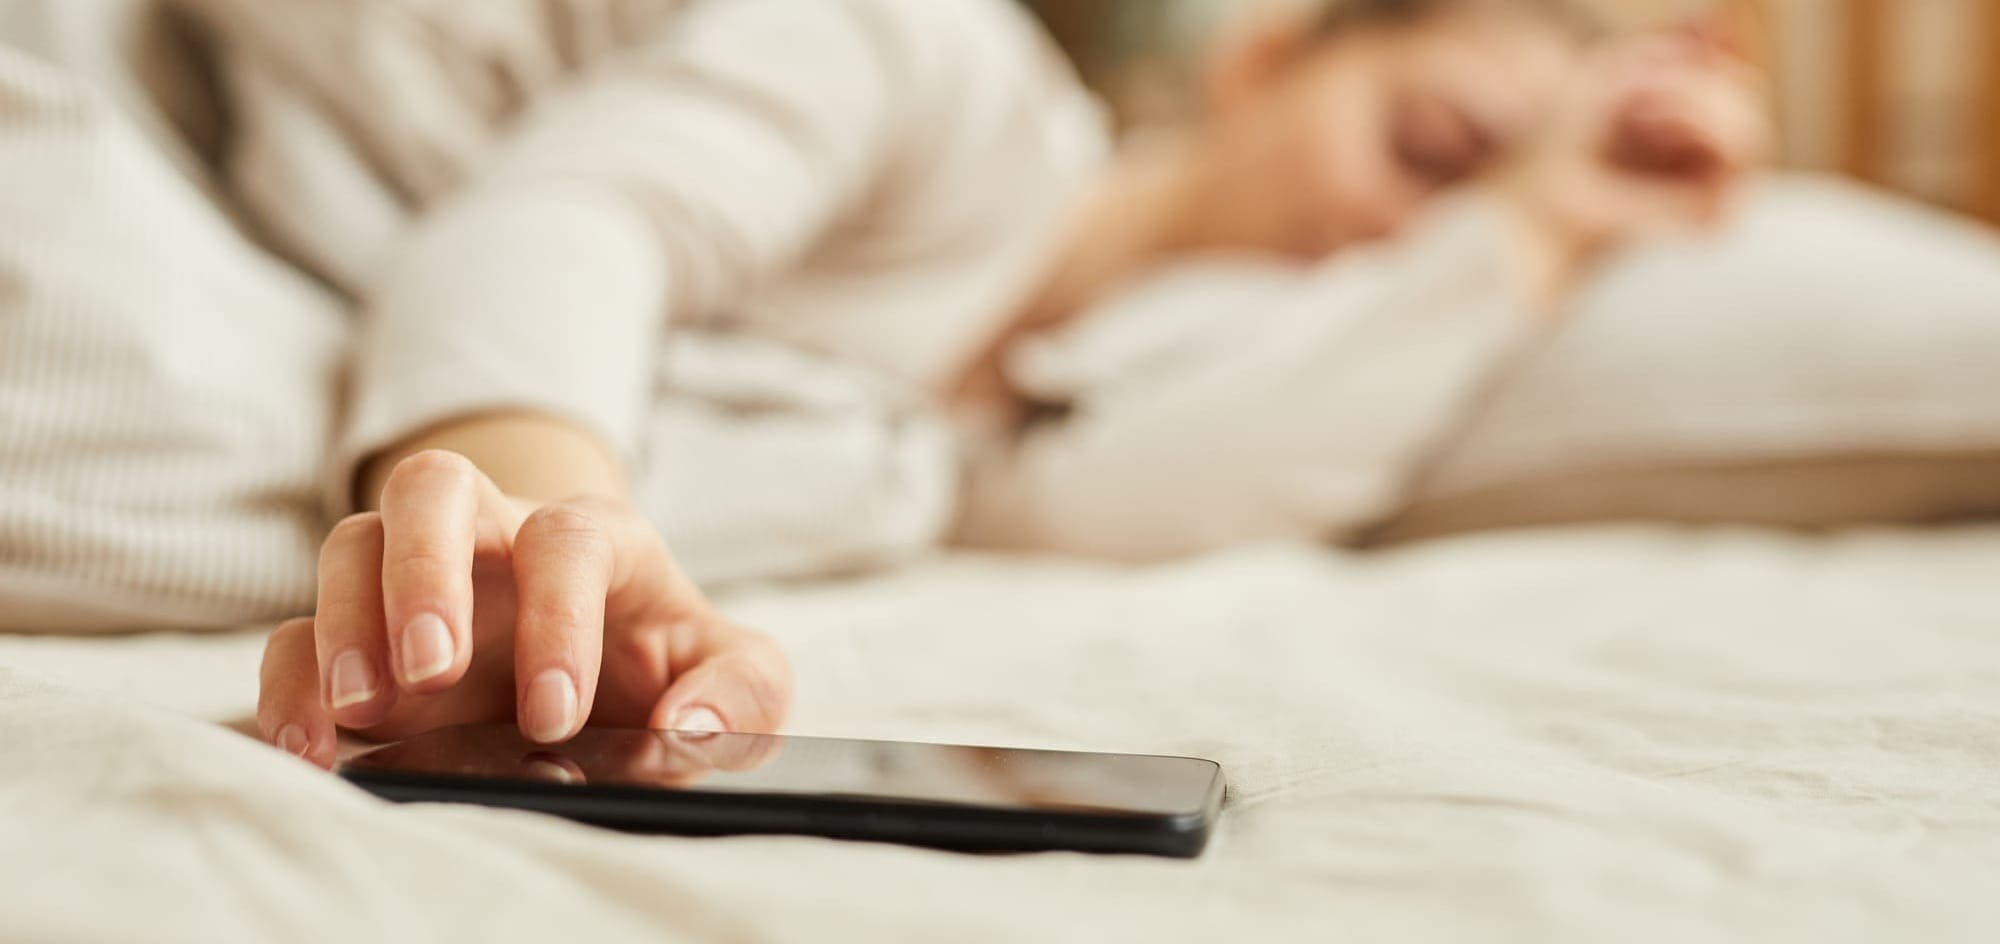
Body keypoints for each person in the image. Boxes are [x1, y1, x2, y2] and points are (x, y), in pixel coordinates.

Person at [219, 0, 1762, 764]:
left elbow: (1123, 510)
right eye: (1426, 156)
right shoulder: (945, 64)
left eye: (1449, 233)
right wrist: (548, 525)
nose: (1399, 240)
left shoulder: (1081, 386)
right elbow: (570, 219)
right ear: (1267, 58)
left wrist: (1540, 228)